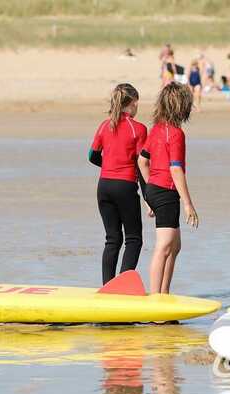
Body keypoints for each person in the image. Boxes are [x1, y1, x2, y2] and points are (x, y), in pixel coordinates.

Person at [137, 83, 198, 294]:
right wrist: (188, 204)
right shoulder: (176, 134)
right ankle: (156, 298)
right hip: (166, 192)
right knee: (163, 247)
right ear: (182, 107)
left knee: (175, 246)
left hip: (155, 190)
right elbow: (176, 170)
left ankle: (164, 294)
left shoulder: (156, 130)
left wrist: (148, 193)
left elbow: (142, 162)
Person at [88, 83, 147, 285]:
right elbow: (142, 164)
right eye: (137, 103)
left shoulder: (105, 125)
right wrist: (149, 198)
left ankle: (107, 287)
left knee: (112, 239)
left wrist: (110, 166)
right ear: (132, 103)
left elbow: (91, 156)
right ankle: (121, 288)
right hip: (125, 187)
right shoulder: (138, 129)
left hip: (104, 186)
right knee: (134, 239)